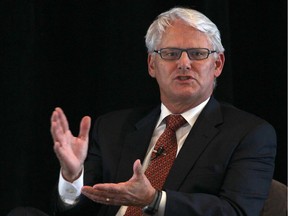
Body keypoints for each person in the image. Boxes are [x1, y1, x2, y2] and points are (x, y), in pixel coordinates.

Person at [8, 6, 277, 216]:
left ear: (217, 64)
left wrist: (154, 200)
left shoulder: (249, 134)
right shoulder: (112, 127)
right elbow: (75, 211)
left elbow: (237, 211)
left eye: (197, 54)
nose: (184, 64)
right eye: (171, 54)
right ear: (152, 64)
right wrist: (72, 178)